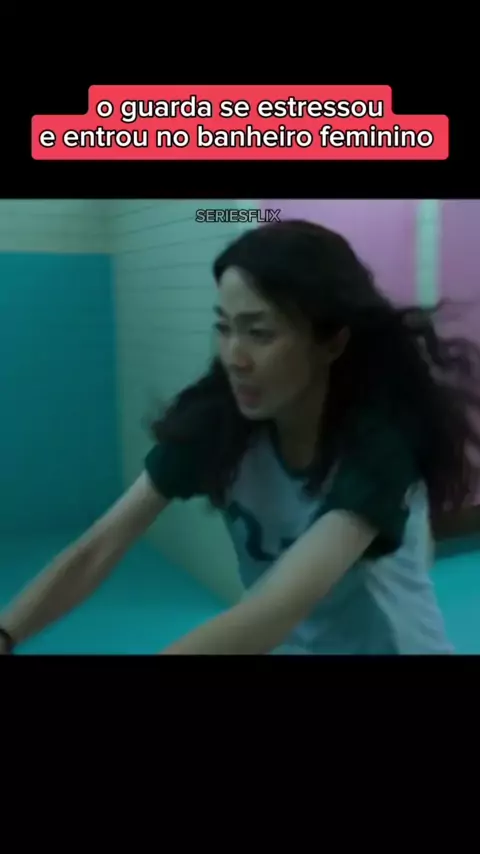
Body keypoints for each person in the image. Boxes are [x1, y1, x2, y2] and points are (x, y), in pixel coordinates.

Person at [1, 219, 480, 656]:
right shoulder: (218, 422)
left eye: (260, 333)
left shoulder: (378, 444)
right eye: (224, 327)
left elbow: (273, 611)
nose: (235, 357)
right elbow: (96, 549)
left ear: (332, 342)